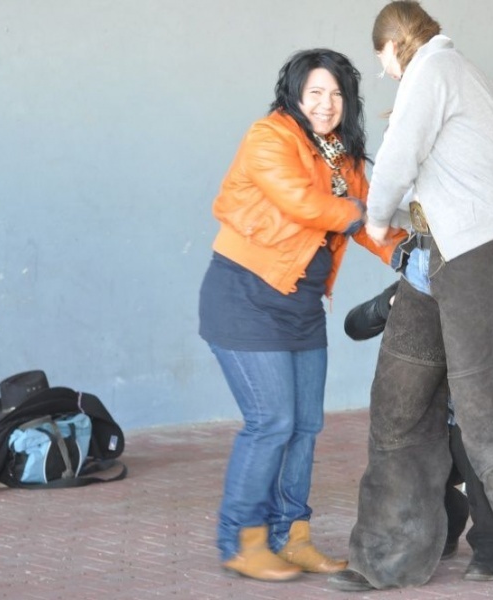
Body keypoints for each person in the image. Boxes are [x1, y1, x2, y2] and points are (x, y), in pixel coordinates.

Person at [330, 3, 493, 598]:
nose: (383, 73)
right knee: (399, 409)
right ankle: (386, 558)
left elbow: (401, 156)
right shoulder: (480, 79)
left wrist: (378, 220)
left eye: (381, 59)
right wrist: (492, 231)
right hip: (437, 260)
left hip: (465, 259)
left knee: (487, 419)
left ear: (395, 44)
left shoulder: (430, 74)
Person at [198, 48, 405, 583]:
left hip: (302, 306)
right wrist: (362, 214)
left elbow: (372, 226)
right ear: (294, 94)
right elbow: (303, 204)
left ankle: (293, 535)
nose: (326, 103)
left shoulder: (341, 153)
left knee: (306, 427)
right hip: (246, 297)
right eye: (315, 92)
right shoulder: (270, 137)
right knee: (272, 423)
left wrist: (411, 257)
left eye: (336, 93)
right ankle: (243, 540)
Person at [343, 229, 493, 584]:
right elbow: (355, 324)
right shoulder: (416, 287)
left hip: (481, 432)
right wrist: (388, 305)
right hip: (439, 437)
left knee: (473, 438)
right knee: (404, 431)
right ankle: (428, 533)